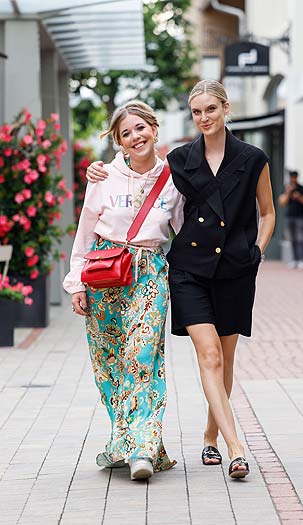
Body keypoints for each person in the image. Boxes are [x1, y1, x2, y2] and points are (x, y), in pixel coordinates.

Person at [86, 80, 275, 479]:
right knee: (208, 357)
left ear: (226, 109)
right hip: (187, 271)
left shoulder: (251, 158)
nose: (204, 117)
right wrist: (100, 169)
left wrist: (256, 251)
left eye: (211, 109)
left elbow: (265, 211)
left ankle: (210, 436)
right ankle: (235, 449)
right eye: (197, 111)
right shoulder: (181, 160)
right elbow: (135, 179)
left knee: (224, 360)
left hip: (232, 269)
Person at [63, 101, 184, 481]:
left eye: (140, 128)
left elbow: (185, 231)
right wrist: (75, 283)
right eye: (126, 133)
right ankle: (123, 440)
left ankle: (143, 449)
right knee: (110, 364)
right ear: (118, 141)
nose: (136, 137)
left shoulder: (173, 180)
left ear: (154, 127)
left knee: (142, 357)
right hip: (103, 272)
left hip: (149, 273)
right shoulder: (103, 178)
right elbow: (85, 231)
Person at [278, 170, 303, 269]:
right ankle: (295, 260)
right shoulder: (287, 188)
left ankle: (302, 260)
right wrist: (288, 192)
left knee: (300, 239)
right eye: (291, 177)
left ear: (297, 177)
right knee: (292, 239)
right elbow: (282, 203)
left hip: (300, 217)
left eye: (294, 177)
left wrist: (299, 196)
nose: (293, 179)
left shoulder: (302, 188)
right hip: (289, 217)